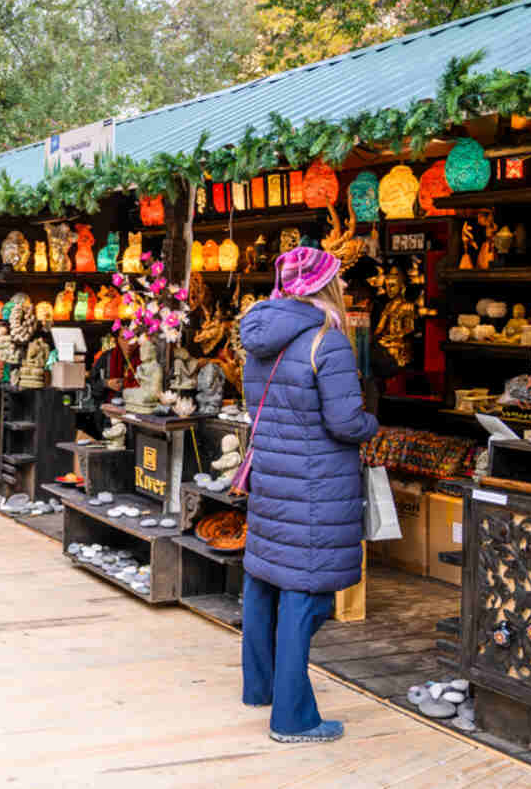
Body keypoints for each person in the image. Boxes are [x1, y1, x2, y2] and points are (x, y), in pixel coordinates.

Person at [237, 247, 378, 744]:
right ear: (325, 285)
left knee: (265, 575)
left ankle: (262, 687)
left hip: (275, 476)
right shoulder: (328, 341)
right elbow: (344, 422)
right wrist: (371, 424)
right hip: (316, 484)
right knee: (304, 593)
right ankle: (293, 718)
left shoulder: (258, 335)